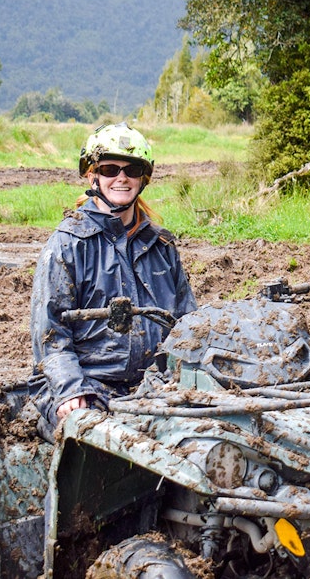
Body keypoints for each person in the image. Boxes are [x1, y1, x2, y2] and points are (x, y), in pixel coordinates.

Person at [29, 122, 196, 442]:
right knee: (95, 449)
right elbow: (50, 335)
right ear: (92, 176)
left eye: (131, 169)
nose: (121, 177)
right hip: (88, 388)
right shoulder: (67, 244)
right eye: (109, 169)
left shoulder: (161, 246)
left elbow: (189, 323)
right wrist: (70, 391)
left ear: (143, 178)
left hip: (154, 387)